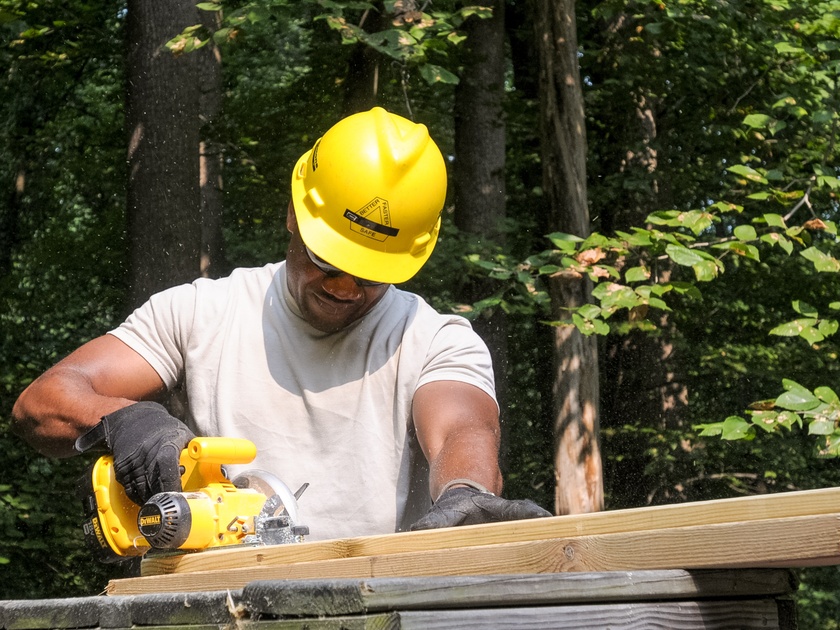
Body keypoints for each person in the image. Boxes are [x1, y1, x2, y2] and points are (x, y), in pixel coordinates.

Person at [11, 107, 550, 541]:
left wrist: (465, 492)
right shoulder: (203, 313)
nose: (344, 287)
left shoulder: (434, 340)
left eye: (369, 275)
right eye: (327, 261)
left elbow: (463, 430)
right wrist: (124, 420)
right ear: (294, 213)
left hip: (376, 607)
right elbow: (42, 403)